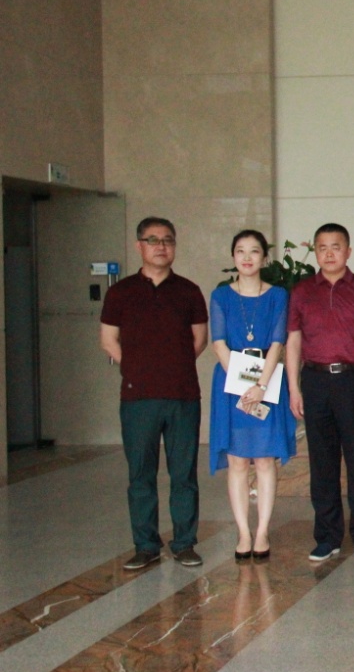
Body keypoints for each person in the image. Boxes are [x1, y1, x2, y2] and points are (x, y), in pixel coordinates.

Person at [100, 217, 209, 570]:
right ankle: (145, 545)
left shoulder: (189, 291)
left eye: (167, 240)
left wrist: (172, 365)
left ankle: (184, 543)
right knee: (141, 475)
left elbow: (199, 339)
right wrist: (137, 367)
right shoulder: (120, 292)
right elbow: (108, 340)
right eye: (153, 240)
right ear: (139, 246)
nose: (161, 246)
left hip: (182, 395)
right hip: (138, 398)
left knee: (184, 474)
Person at [286, 223, 354, 563]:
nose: (329, 253)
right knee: (322, 463)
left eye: (336, 246)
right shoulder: (301, 292)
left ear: (348, 251)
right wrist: (294, 388)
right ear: (315, 252)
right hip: (315, 381)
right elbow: (293, 341)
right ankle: (327, 536)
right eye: (322, 247)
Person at [209, 230, 297, 562]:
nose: (247, 257)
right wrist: (243, 384)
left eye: (254, 251)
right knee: (236, 460)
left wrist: (260, 385)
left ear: (264, 258)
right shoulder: (220, 295)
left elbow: (277, 342)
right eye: (240, 251)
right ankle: (243, 532)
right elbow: (218, 343)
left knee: (263, 459)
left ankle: (262, 533)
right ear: (233, 256)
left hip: (267, 379)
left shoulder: (277, 295)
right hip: (231, 381)